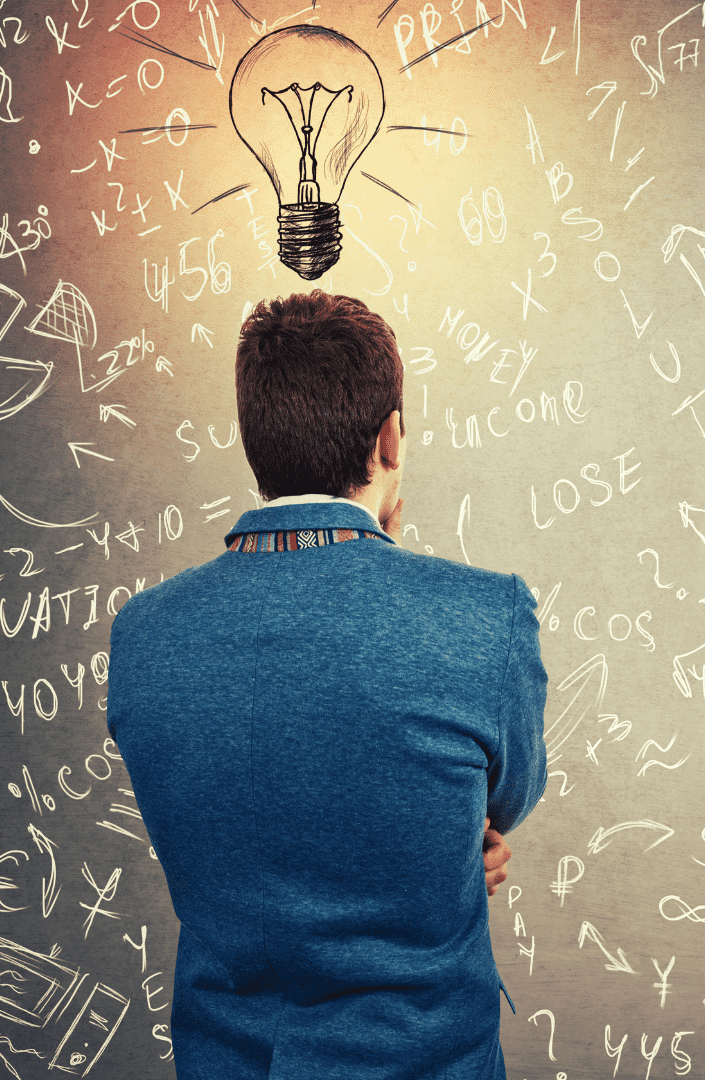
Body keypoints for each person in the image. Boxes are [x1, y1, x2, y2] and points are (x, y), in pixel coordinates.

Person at [108, 290, 548, 1079]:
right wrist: (438, 840)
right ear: (388, 437)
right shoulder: (486, 616)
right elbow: (500, 802)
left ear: (257, 443)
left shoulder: (143, 633)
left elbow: (233, 824)